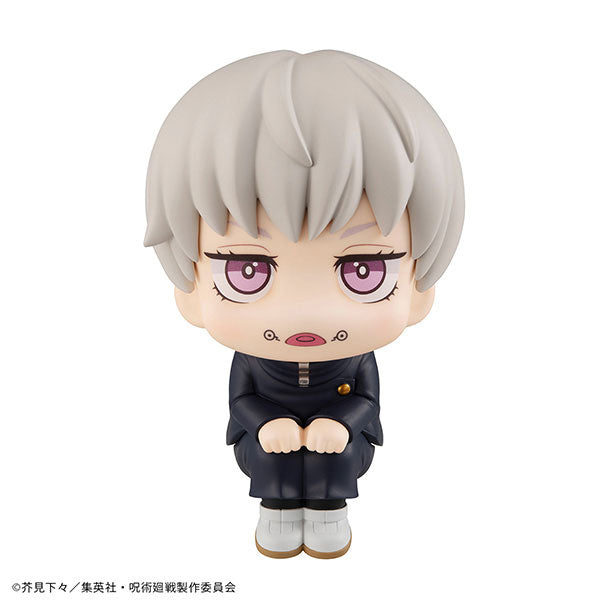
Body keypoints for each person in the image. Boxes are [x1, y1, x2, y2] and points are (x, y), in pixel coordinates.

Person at [144, 50, 464, 558]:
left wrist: (342, 423)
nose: (305, 311)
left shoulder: (356, 358)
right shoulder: (251, 358)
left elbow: (367, 400)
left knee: (336, 459)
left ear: (419, 289)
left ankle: (330, 511)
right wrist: (265, 423)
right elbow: (241, 400)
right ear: (191, 290)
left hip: (342, 441)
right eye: (247, 270)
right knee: (270, 459)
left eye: (364, 270)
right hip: (264, 442)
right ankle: (276, 509)